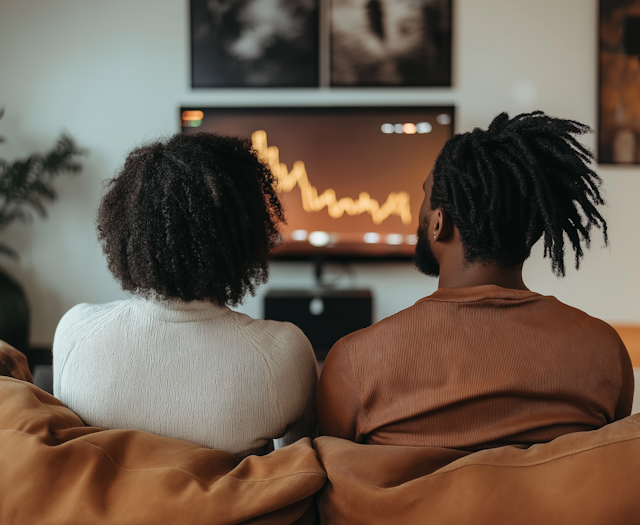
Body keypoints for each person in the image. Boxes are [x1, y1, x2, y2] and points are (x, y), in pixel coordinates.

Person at [316, 111, 634, 450]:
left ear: (439, 224)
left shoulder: (354, 362)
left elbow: (332, 484)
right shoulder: (605, 352)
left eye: (424, 197)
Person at [53, 132, 318, 458]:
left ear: (126, 227)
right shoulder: (284, 353)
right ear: (246, 235)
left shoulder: (75, 330)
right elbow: (297, 472)